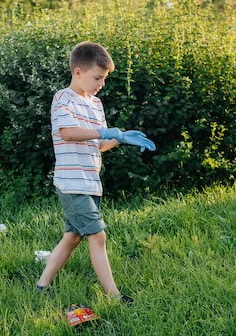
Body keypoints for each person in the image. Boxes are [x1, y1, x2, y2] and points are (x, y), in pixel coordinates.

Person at [36, 41, 156, 304]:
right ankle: (114, 296)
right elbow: (68, 133)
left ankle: (43, 285)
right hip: (71, 182)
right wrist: (104, 132)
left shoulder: (96, 104)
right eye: (97, 77)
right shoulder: (62, 98)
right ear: (78, 72)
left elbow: (100, 145)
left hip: (90, 181)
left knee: (73, 236)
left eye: (104, 78)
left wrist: (122, 138)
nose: (101, 83)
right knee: (97, 235)